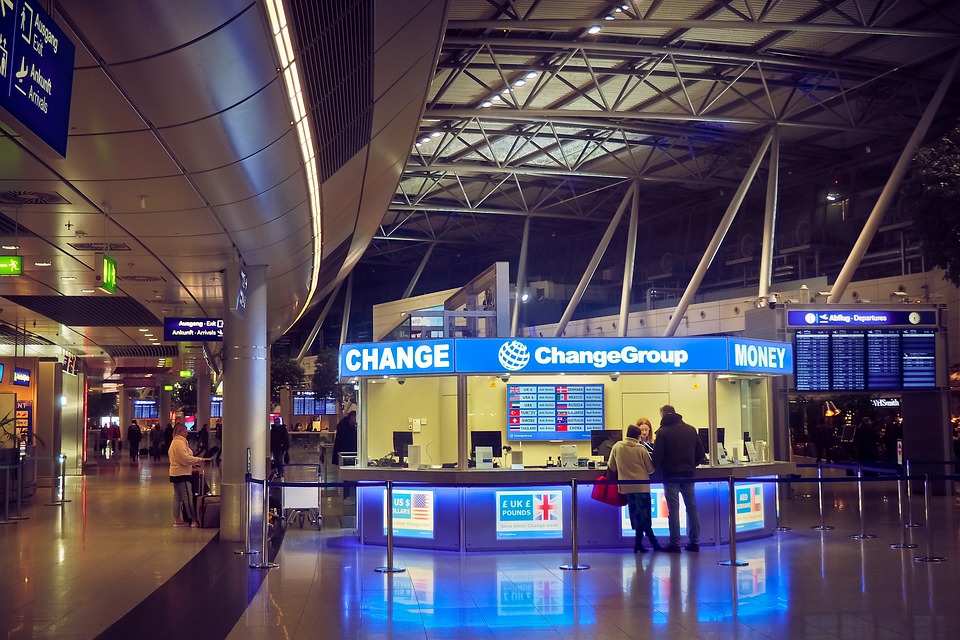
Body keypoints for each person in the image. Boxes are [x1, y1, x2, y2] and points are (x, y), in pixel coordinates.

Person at [652, 405, 706, 553]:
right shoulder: (691, 429)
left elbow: (657, 458)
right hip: (688, 475)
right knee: (691, 508)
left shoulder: (662, 432)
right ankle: (694, 542)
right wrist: (690, 465)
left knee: (673, 510)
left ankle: (674, 543)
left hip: (670, 476)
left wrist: (656, 469)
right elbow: (701, 455)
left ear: (662, 414)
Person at [608, 424, 661, 553]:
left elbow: (612, 467)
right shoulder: (640, 449)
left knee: (636, 515)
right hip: (641, 486)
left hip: (626, 487)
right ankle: (652, 543)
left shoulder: (617, 447)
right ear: (638, 436)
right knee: (644, 516)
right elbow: (650, 469)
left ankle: (639, 544)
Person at [168, 422, 208, 527]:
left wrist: (192, 465)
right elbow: (185, 458)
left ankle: (177, 519)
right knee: (188, 497)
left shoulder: (174, 442)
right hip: (182, 474)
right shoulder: (180, 443)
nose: (187, 433)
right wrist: (200, 459)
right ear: (180, 432)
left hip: (175, 473)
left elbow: (179, 459)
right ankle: (193, 519)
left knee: (177, 497)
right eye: (185, 431)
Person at [333, 405, 358, 502]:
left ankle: (347, 495)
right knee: (346, 477)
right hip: (346, 456)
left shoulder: (345, 425)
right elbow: (345, 442)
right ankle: (346, 495)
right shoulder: (345, 426)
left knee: (347, 476)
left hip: (347, 455)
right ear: (352, 417)